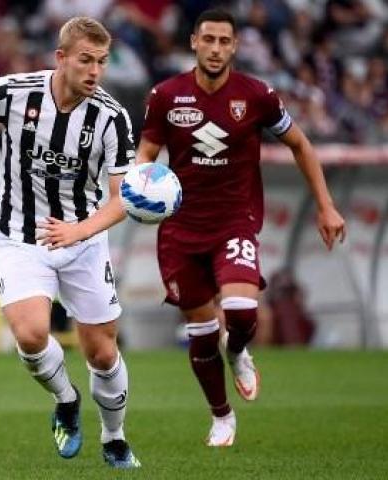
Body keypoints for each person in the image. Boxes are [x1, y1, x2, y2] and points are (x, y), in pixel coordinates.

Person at [0, 17, 140, 469]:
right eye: (85, 60)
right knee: (30, 333)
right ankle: (66, 400)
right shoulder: (14, 92)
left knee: (102, 352)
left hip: (83, 239)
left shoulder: (112, 118)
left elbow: (122, 199)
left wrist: (79, 231)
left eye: (102, 62)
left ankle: (114, 436)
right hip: (18, 233)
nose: (94, 71)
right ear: (61, 58)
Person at [136, 9, 346, 447]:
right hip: (178, 230)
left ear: (234, 46)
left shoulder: (257, 95)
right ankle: (221, 416)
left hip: (234, 221)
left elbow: (300, 145)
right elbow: (146, 154)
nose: (215, 49)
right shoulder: (166, 96)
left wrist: (326, 207)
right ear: (194, 41)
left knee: (242, 314)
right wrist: (141, 189)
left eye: (223, 41)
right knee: (201, 332)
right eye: (207, 39)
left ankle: (238, 351)